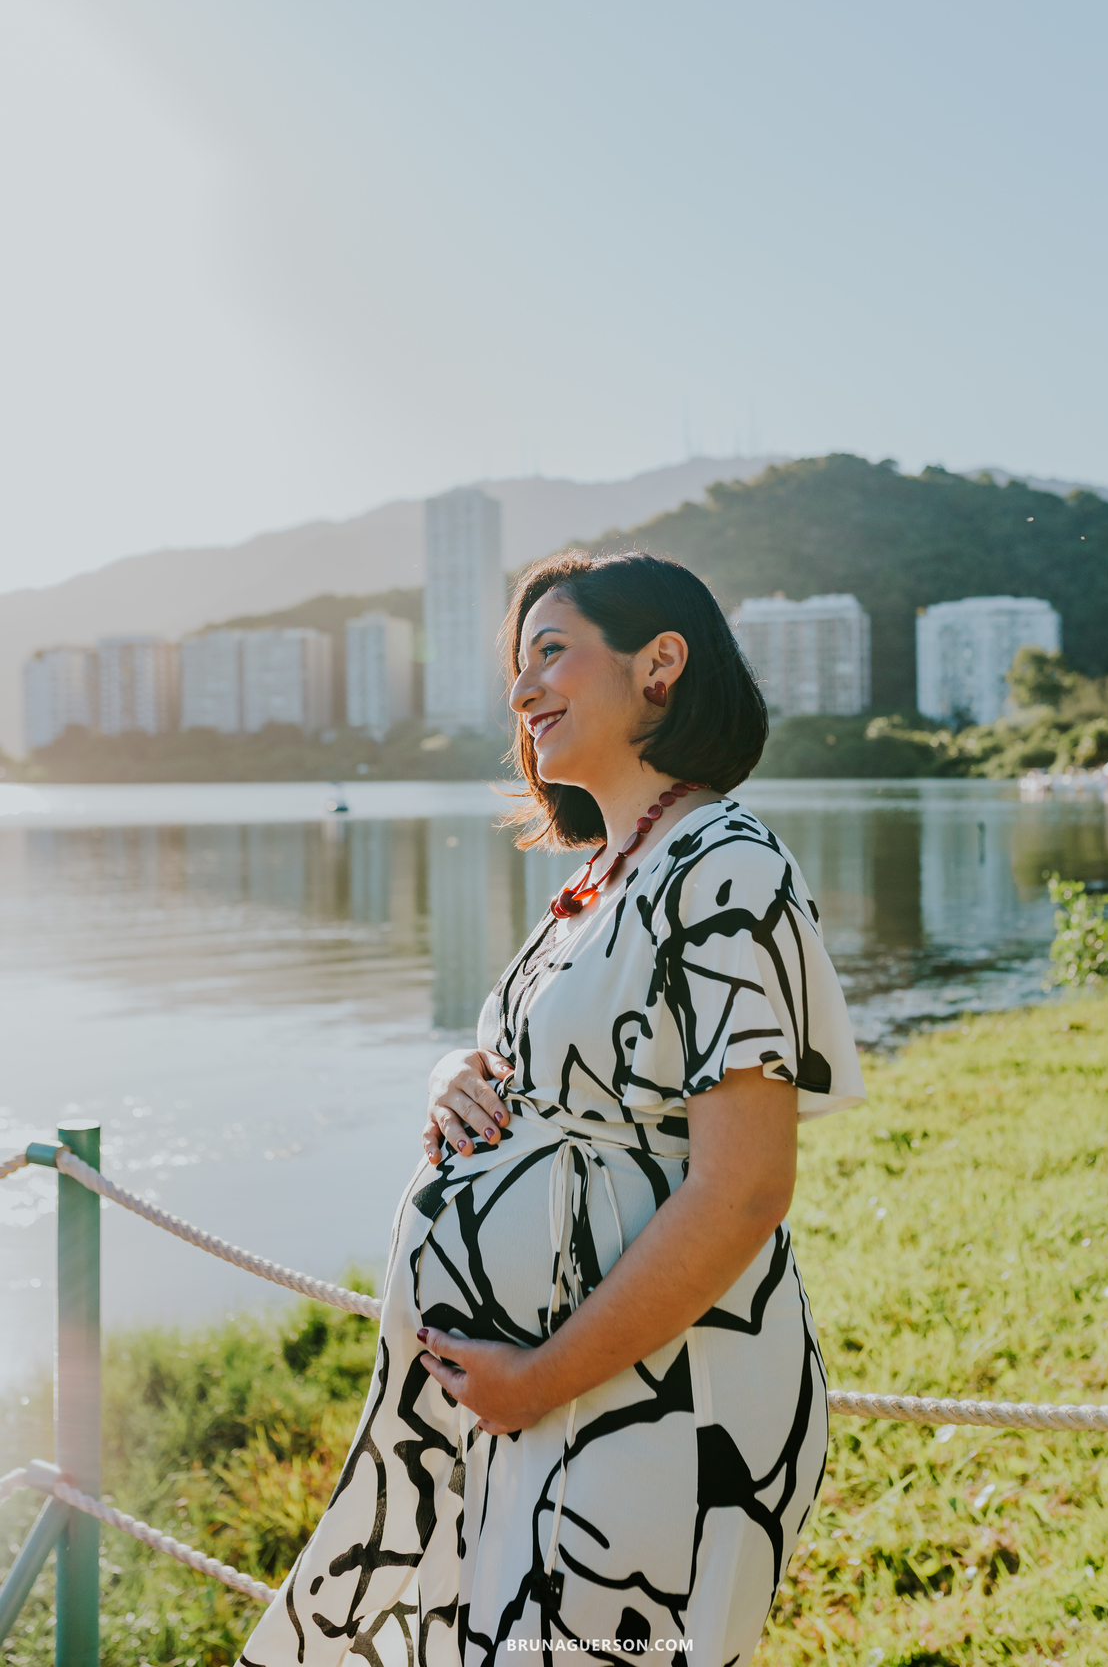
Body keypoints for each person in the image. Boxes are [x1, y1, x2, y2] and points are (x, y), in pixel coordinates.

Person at [239, 550, 863, 1667]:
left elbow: (745, 1185)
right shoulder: (605, 877)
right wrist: (455, 1076)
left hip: (660, 1394)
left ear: (659, 665)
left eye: (551, 653)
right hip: (557, 1398)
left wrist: (536, 1379)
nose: (521, 691)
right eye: (514, 666)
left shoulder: (728, 866)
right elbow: (549, 1065)